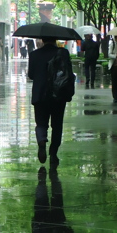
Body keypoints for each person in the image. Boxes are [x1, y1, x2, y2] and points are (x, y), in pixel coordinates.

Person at [27, 37, 74, 167]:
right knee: (57, 125)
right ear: (55, 39)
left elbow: (31, 75)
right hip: (58, 95)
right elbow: (68, 73)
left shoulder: (34, 54)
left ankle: (42, 141)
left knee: (41, 123)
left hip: (40, 95)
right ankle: (53, 153)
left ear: (43, 39)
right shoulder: (63, 53)